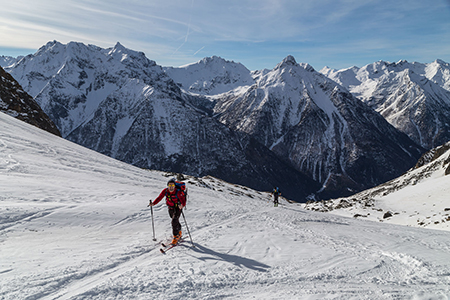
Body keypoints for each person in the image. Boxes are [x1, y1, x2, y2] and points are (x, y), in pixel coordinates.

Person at [149, 178, 186, 245]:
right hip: (170, 208)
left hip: (178, 208)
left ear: (175, 186)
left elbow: (183, 201)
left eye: (172, 185)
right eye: (169, 185)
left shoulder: (178, 192)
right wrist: (154, 203)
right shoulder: (165, 191)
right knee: (175, 220)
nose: (171, 187)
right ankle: (179, 232)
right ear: (167, 186)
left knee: (174, 221)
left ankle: (176, 236)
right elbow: (159, 197)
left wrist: (182, 205)